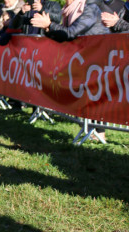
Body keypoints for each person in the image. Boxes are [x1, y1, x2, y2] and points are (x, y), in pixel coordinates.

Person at [31, 0, 110, 141]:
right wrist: (48, 29)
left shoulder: (90, 8)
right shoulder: (68, 10)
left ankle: (99, 132)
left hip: (99, 57)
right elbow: (62, 35)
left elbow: (71, 33)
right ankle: (88, 129)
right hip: (84, 57)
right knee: (87, 94)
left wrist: (49, 25)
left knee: (96, 93)